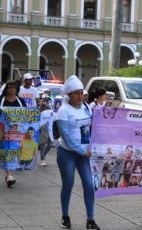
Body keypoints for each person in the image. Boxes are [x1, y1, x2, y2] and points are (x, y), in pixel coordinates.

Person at [56, 75, 100, 229]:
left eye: (81, 93)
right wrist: (82, 151)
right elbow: (66, 136)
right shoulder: (63, 110)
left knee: (89, 184)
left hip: (85, 154)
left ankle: (90, 219)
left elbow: (94, 128)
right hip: (67, 153)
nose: (79, 96)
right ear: (69, 94)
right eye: (76, 93)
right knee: (68, 184)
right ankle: (65, 215)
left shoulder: (87, 107)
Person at [0, 80, 27, 187]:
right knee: (7, 152)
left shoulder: (21, 101)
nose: (12, 89)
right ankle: (9, 174)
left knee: (14, 151)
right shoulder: (0, 101)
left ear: (17, 89)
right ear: (6, 89)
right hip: (3, 132)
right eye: (10, 87)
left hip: (17, 132)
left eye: (14, 87)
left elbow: (27, 115)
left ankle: (9, 173)